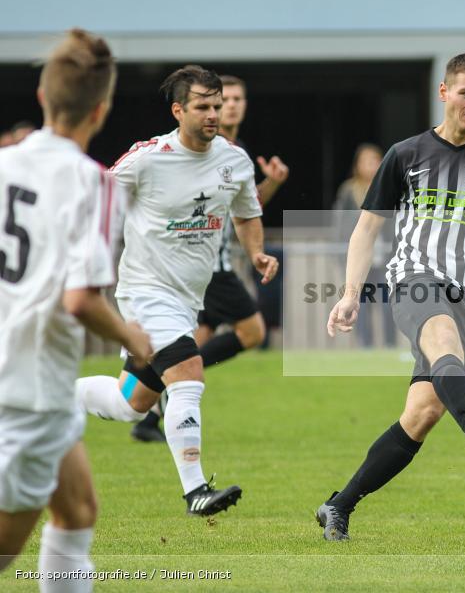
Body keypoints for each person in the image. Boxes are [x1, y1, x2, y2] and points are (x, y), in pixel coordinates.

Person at [316, 53, 465, 540]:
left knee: (422, 413)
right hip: (414, 278)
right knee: (440, 335)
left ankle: (338, 505)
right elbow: (366, 230)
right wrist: (350, 294)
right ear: (444, 93)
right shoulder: (405, 155)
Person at [74, 65, 279, 516]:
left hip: (188, 298)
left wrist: (257, 253)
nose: (213, 114)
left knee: (132, 404)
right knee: (188, 371)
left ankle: (51, 394)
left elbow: (246, 213)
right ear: (178, 110)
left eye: (217, 105)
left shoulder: (234, 161)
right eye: (202, 106)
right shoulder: (148, 158)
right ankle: (195, 490)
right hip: (144, 291)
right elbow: (95, 196)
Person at [0, 29, 152, 590]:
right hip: (28, 391)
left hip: (33, 382)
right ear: (102, 109)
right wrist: (134, 340)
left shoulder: (4, 165)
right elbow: (81, 297)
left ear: (42, 97)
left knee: (78, 509)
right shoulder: (94, 182)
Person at [129, 74, 289, 442]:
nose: (227, 107)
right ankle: (170, 381)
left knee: (187, 342)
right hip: (205, 265)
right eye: (220, 101)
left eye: (233, 100)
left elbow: (244, 207)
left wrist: (272, 188)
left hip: (207, 264)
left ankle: (150, 411)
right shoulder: (185, 149)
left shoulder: (234, 152)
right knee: (251, 332)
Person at [332, 143, 395, 348]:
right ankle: (365, 346)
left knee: (388, 305)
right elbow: (340, 225)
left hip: (384, 258)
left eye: (377, 161)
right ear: (358, 165)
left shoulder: (389, 187)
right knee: (361, 305)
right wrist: (344, 256)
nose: (373, 166)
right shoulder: (349, 190)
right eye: (368, 161)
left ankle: (389, 345)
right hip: (361, 259)